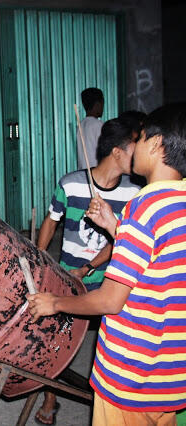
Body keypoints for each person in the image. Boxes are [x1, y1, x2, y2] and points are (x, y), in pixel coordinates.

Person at [28, 103, 186, 425]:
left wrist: (55, 303)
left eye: (140, 138)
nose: (136, 147)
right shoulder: (175, 205)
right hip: (170, 377)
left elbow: (111, 301)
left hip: (130, 377)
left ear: (156, 145)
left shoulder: (142, 205)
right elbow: (160, 256)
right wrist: (116, 227)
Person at [34, 117, 141, 424]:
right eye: (136, 145)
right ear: (118, 152)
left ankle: (111, 397)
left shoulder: (133, 194)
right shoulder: (71, 183)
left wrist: (89, 266)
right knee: (52, 339)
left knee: (111, 345)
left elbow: (124, 238)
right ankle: (51, 398)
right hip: (66, 275)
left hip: (110, 281)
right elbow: (51, 220)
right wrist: (41, 259)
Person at [77, 87, 104, 169]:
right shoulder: (99, 125)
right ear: (98, 104)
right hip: (96, 173)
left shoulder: (80, 125)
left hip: (83, 174)